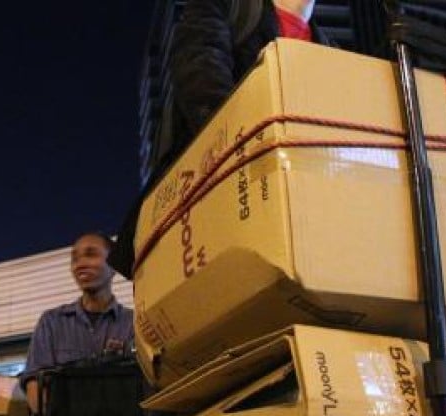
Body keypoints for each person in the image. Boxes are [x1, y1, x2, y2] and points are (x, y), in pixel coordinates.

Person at [109, 0, 328, 278]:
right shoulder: (229, 8)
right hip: (225, 200)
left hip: (303, 218)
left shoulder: (330, 49)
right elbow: (200, 75)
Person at [21, 231, 135, 413]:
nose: (80, 264)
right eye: (75, 258)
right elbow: (35, 381)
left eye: (91, 254)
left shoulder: (132, 323)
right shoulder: (52, 322)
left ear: (113, 266)